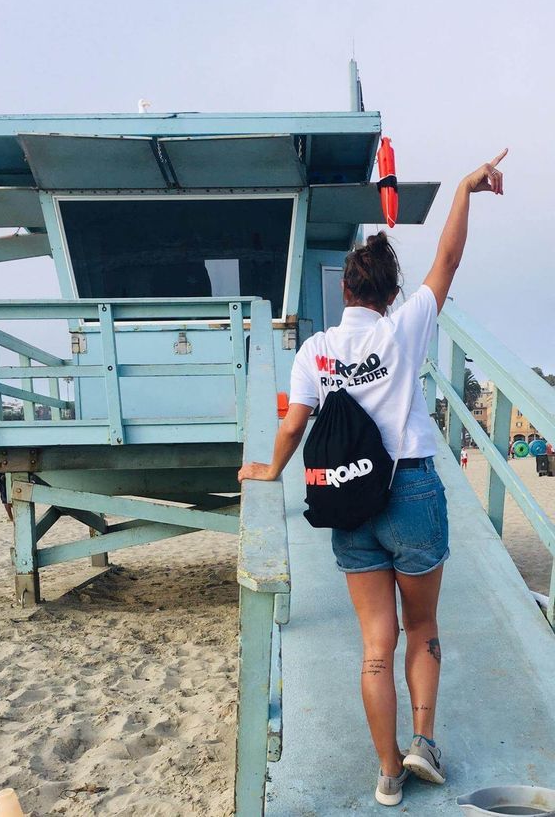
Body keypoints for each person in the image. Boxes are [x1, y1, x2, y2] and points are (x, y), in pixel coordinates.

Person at [239, 150, 507, 806]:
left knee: (375, 647)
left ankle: (388, 771)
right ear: (390, 293)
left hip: (349, 503)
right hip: (411, 491)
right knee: (424, 629)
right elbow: (447, 261)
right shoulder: (403, 328)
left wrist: (270, 469)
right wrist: (467, 188)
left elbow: (295, 424)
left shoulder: (313, 351)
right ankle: (423, 741)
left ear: (344, 292)